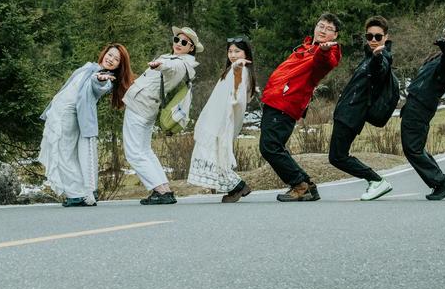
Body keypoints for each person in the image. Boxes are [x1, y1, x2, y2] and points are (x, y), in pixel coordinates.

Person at [259, 13, 342, 201]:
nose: (323, 30)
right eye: (321, 26)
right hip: (275, 100)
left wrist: (324, 50)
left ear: (335, 35)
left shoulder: (329, 52)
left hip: (286, 103)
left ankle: (299, 184)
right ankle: (308, 186)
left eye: (329, 29)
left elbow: (325, 62)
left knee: (269, 147)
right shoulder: (305, 48)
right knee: (273, 146)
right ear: (315, 27)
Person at [39, 43, 134, 207]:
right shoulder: (89, 68)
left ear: (119, 65)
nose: (111, 59)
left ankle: (78, 194)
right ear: (104, 53)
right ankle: (80, 192)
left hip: (68, 115)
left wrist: (100, 79)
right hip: (59, 111)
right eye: (110, 55)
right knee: (66, 154)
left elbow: (97, 84)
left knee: (64, 154)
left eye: (116, 59)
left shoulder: (104, 78)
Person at [123, 26, 202, 205]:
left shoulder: (181, 63)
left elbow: (170, 68)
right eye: (176, 40)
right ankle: (164, 189)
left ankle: (159, 190)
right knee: (144, 151)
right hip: (145, 106)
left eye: (184, 42)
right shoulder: (176, 59)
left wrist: (160, 64)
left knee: (134, 153)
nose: (178, 44)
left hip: (140, 106)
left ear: (191, 48)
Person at [400, 20, 445, 201]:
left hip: (421, 106)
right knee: (415, 148)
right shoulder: (437, 56)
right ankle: (440, 183)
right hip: (415, 103)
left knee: (413, 149)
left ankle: (441, 184)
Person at [329, 15, 395, 201]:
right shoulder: (368, 57)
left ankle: (376, 180)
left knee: (337, 157)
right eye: (369, 36)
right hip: (346, 113)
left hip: (351, 115)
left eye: (378, 36)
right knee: (338, 156)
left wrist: (376, 57)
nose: (373, 40)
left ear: (386, 37)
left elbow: (379, 70)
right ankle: (375, 181)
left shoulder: (383, 58)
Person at [188, 36, 258, 202]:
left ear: (245, 53)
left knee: (217, 154)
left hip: (222, 121)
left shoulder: (241, 70)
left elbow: (237, 95)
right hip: (215, 118)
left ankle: (238, 186)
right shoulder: (231, 69)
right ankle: (236, 187)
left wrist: (237, 71)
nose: (233, 55)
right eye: (230, 51)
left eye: (237, 51)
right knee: (215, 155)